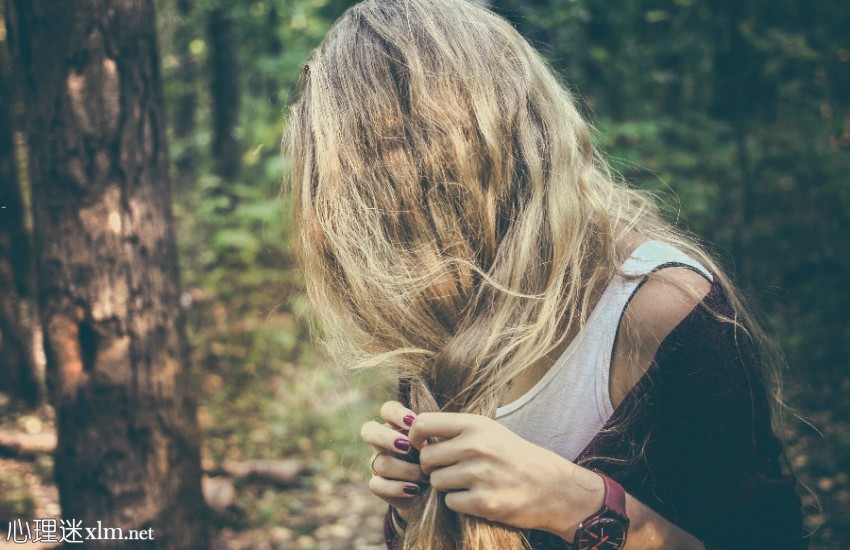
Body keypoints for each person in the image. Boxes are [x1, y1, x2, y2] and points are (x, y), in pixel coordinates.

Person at [284, 0, 806, 548]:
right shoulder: (447, 301)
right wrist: (410, 510)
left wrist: (581, 507)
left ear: (478, 150)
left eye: (387, 176)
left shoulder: (660, 310)